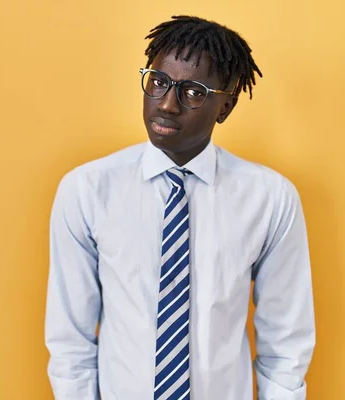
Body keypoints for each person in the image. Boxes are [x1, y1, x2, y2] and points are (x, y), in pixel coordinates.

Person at [44, 15, 315, 400]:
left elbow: (286, 341)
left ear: (225, 106)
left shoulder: (270, 199)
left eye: (192, 92)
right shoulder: (87, 190)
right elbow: (71, 339)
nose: (167, 104)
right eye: (158, 82)